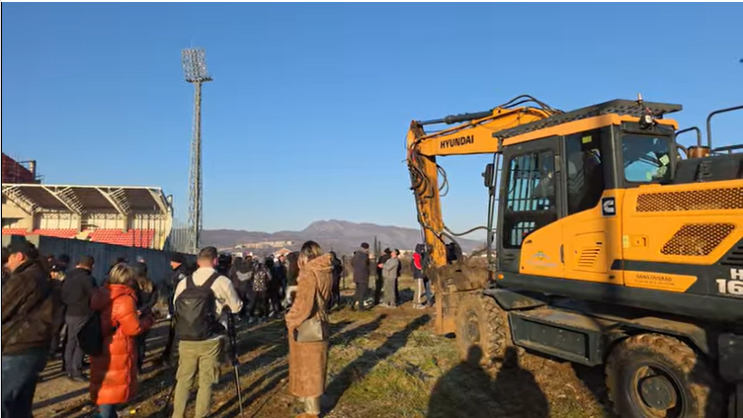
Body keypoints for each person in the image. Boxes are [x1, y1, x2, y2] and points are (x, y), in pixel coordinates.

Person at [172, 247, 242, 418]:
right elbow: (236, 307)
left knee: (183, 380)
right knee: (206, 382)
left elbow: (175, 305)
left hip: (186, 338)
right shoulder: (222, 281)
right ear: (215, 260)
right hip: (212, 338)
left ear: (198, 261)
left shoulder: (184, 282)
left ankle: (177, 415)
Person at [89, 263, 155, 418]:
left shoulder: (101, 293)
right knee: (111, 389)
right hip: (117, 347)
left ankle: (106, 415)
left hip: (100, 344)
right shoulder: (125, 299)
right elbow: (133, 328)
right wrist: (148, 320)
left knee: (104, 384)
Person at [1, 240, 55, 418]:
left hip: (18, 347)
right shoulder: (42, 275)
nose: (7, 263)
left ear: (19, 256)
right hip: (34, 346)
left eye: (9, 258)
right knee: (20, 407)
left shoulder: (24, 278)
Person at [285, 241, 333, 418]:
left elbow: (303, 305)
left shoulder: (309, 273)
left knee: (309, 367)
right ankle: (313, 401)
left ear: (304, 257)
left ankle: (312, 411)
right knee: (317, 366)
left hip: (308, 326)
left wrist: (290, 319)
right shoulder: (325, 270)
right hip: (322, 321)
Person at [62, 255, 97, 382]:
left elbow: (62, 294)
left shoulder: (68, 277)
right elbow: (95, 296)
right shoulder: (88, 279)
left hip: (69, 312)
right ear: (92, 265)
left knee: (70, 342)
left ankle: (68, 369)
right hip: (82, 313)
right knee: (81, 343)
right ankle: (76, 371)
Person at [132, 262, 158, 373]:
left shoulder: (132, 284)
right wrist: (144, 309)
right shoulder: (151, 284)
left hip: (133, 315)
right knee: (141, 342)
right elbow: (153, 301)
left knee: (132, 343)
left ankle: (132, 365)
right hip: (146, 316)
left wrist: (137, 309)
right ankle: (139, 366)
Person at [49, 263, 68, 361]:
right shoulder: (49, 283)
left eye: (55, 272)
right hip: (51, 309)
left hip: (59, 309)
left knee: (55, 331)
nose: (53, 274)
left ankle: (52, 351)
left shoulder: (64, 283)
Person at [248, 259, 271, 323]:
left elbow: (249, 277)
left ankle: (252, 316)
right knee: (263, 303)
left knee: (254, 303)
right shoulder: (266, 269)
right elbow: (270, 277)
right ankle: (263, 316)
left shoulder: (253, 268)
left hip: (255, 288)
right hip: (263, 288)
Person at [351, 243, 371, 311]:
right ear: (366, 248)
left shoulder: (356, 254)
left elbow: (352, 263)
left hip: (356, 275)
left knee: (357, 292)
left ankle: (352, 305)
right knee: (362, 292)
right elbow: (366, 265)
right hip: (363, 276)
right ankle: (361, 307)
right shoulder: (365, 256)